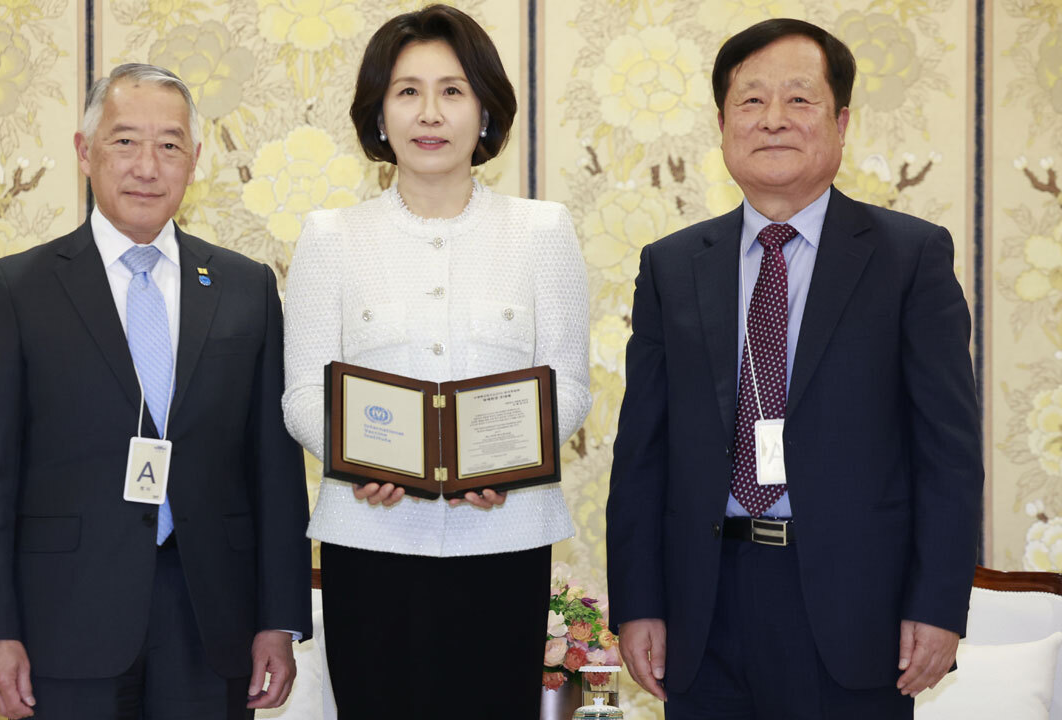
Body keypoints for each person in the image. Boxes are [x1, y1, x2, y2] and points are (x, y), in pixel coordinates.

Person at [606, 18, 983, 720]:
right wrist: (638, 602)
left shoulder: (910, 258)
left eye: (799, 99)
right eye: (750, 100)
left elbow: (948, 452)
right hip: (703, 608)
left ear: (841, 123)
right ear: (722, 124)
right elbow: (642, 453)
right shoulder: (671, 266)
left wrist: (938, 605)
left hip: (857, 610)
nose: (773, 118)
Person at [0, 63, 311, 720]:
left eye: (169, 145)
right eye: (125, 141)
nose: (147, 166)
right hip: (63, 618)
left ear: (194, 160)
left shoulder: (245, 289)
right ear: (85, 151)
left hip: (211, 620)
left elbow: (275, 470)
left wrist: (279, 620)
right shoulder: (19, 290)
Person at [281, 5, 591, 719]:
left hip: (505, 539)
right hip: (371, 539)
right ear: (378, 114)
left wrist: (506, 461)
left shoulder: (542, 231)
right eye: (407, 91)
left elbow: (568, 384)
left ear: (484, 112)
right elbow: (303, 394)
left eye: (452, 91)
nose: (430, 113)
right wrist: (360, 458)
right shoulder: (331, 237)